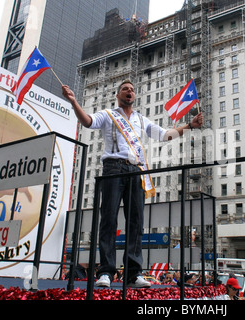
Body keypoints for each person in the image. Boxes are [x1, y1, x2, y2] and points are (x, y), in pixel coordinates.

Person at [62, 81, 203, 288]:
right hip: (113, 168)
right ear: (118, 94)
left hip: (136, 170)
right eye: (125, 89)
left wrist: (189, 126)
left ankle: (133, 273)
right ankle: (106, 272)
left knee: (136, 222)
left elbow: (164, 135)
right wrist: (74, 102)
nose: (130, 91)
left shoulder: (140, 119)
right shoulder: (109, 114)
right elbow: (88, 122)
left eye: (133, 90)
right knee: (108, 220)